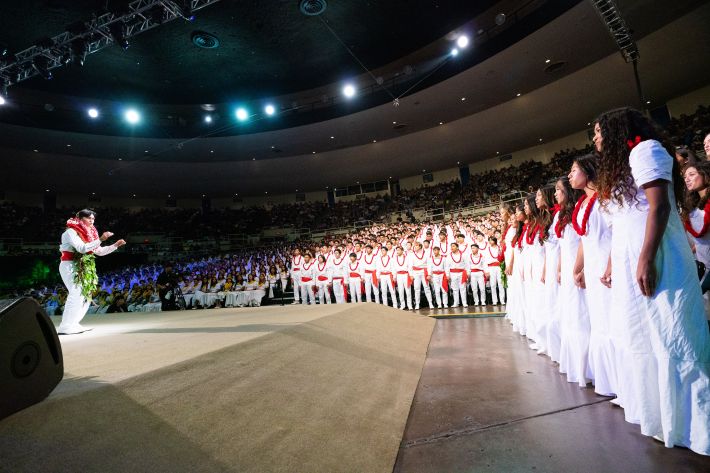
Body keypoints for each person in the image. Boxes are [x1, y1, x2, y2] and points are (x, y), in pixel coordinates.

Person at [595, 107, 710, 454]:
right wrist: (620, 262)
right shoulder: (626, 161)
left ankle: (700, 429)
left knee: (678, 336)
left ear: (617, 130)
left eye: (600, 132)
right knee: (649, 337)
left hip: (660, 256)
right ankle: (665, 420)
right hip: (636, 258)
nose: (596, 138)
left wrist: (645, 258)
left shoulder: (646, 150)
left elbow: (658, 208)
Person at [570, 154, 617, 396]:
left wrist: (610, 265)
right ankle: (607, 381)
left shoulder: (603, 199)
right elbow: (583, 239)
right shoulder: (581, 204)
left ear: (587, 172)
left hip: (607, 266)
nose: (570, 175)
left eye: (574, 170)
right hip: (592, 266)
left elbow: (616, 232)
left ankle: (621, 386)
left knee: (611, 321)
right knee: (599, 321)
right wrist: (579, 267)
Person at [57, 209, 125, 335]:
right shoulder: (70, 232)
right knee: (76, 292)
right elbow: (82, 249)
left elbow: (99, 251)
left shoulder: (89, 233)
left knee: (86, 295)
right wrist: (100, 239)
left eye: (93, 219)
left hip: (84, 267)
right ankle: (65, 326)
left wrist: (114, 245)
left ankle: (74, 323)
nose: (92, 221)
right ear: (80, 218)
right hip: (69, 265)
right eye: (89, 218)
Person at [681, 161, 710, 319]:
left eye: (692, 174)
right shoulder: (691, 207)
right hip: (703, 264)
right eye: (685, 176)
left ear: (705, 175)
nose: (687, 179)